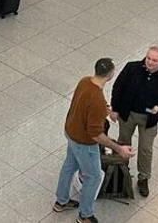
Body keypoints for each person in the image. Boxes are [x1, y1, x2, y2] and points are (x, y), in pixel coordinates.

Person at [53, 58, 134, 222]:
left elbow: (88, 103)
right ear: (110, 75)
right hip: (84, 143)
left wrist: (107, 109)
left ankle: (60, 202)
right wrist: (119, 149)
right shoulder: (96, 98)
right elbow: (96, 135)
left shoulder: (85, 81)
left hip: (71, 132)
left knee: (69, 166)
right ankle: (85, 215)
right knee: (94, 176)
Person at [110, 47, 158, 197]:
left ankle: (143, 177)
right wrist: (114, 109)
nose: (149, 62)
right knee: (123, 142)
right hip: (127, 114)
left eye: (154, 60)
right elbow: (118, 88)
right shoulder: (132, 68)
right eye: (148, 58)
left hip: (149, 120)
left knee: (146, 148)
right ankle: (121, 169)